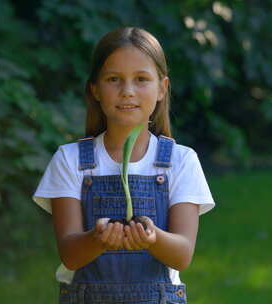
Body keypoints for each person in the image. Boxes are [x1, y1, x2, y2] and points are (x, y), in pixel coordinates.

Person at [33, 27, 215, 304]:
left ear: (161, 89)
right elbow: (70, 255)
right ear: (95, 89)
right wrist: (98, 239)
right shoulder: (70, 160)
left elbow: (182, 254)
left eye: (141, 79)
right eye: (114, 79)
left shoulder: (181, 161)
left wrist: (152, 239)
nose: (127, 91)